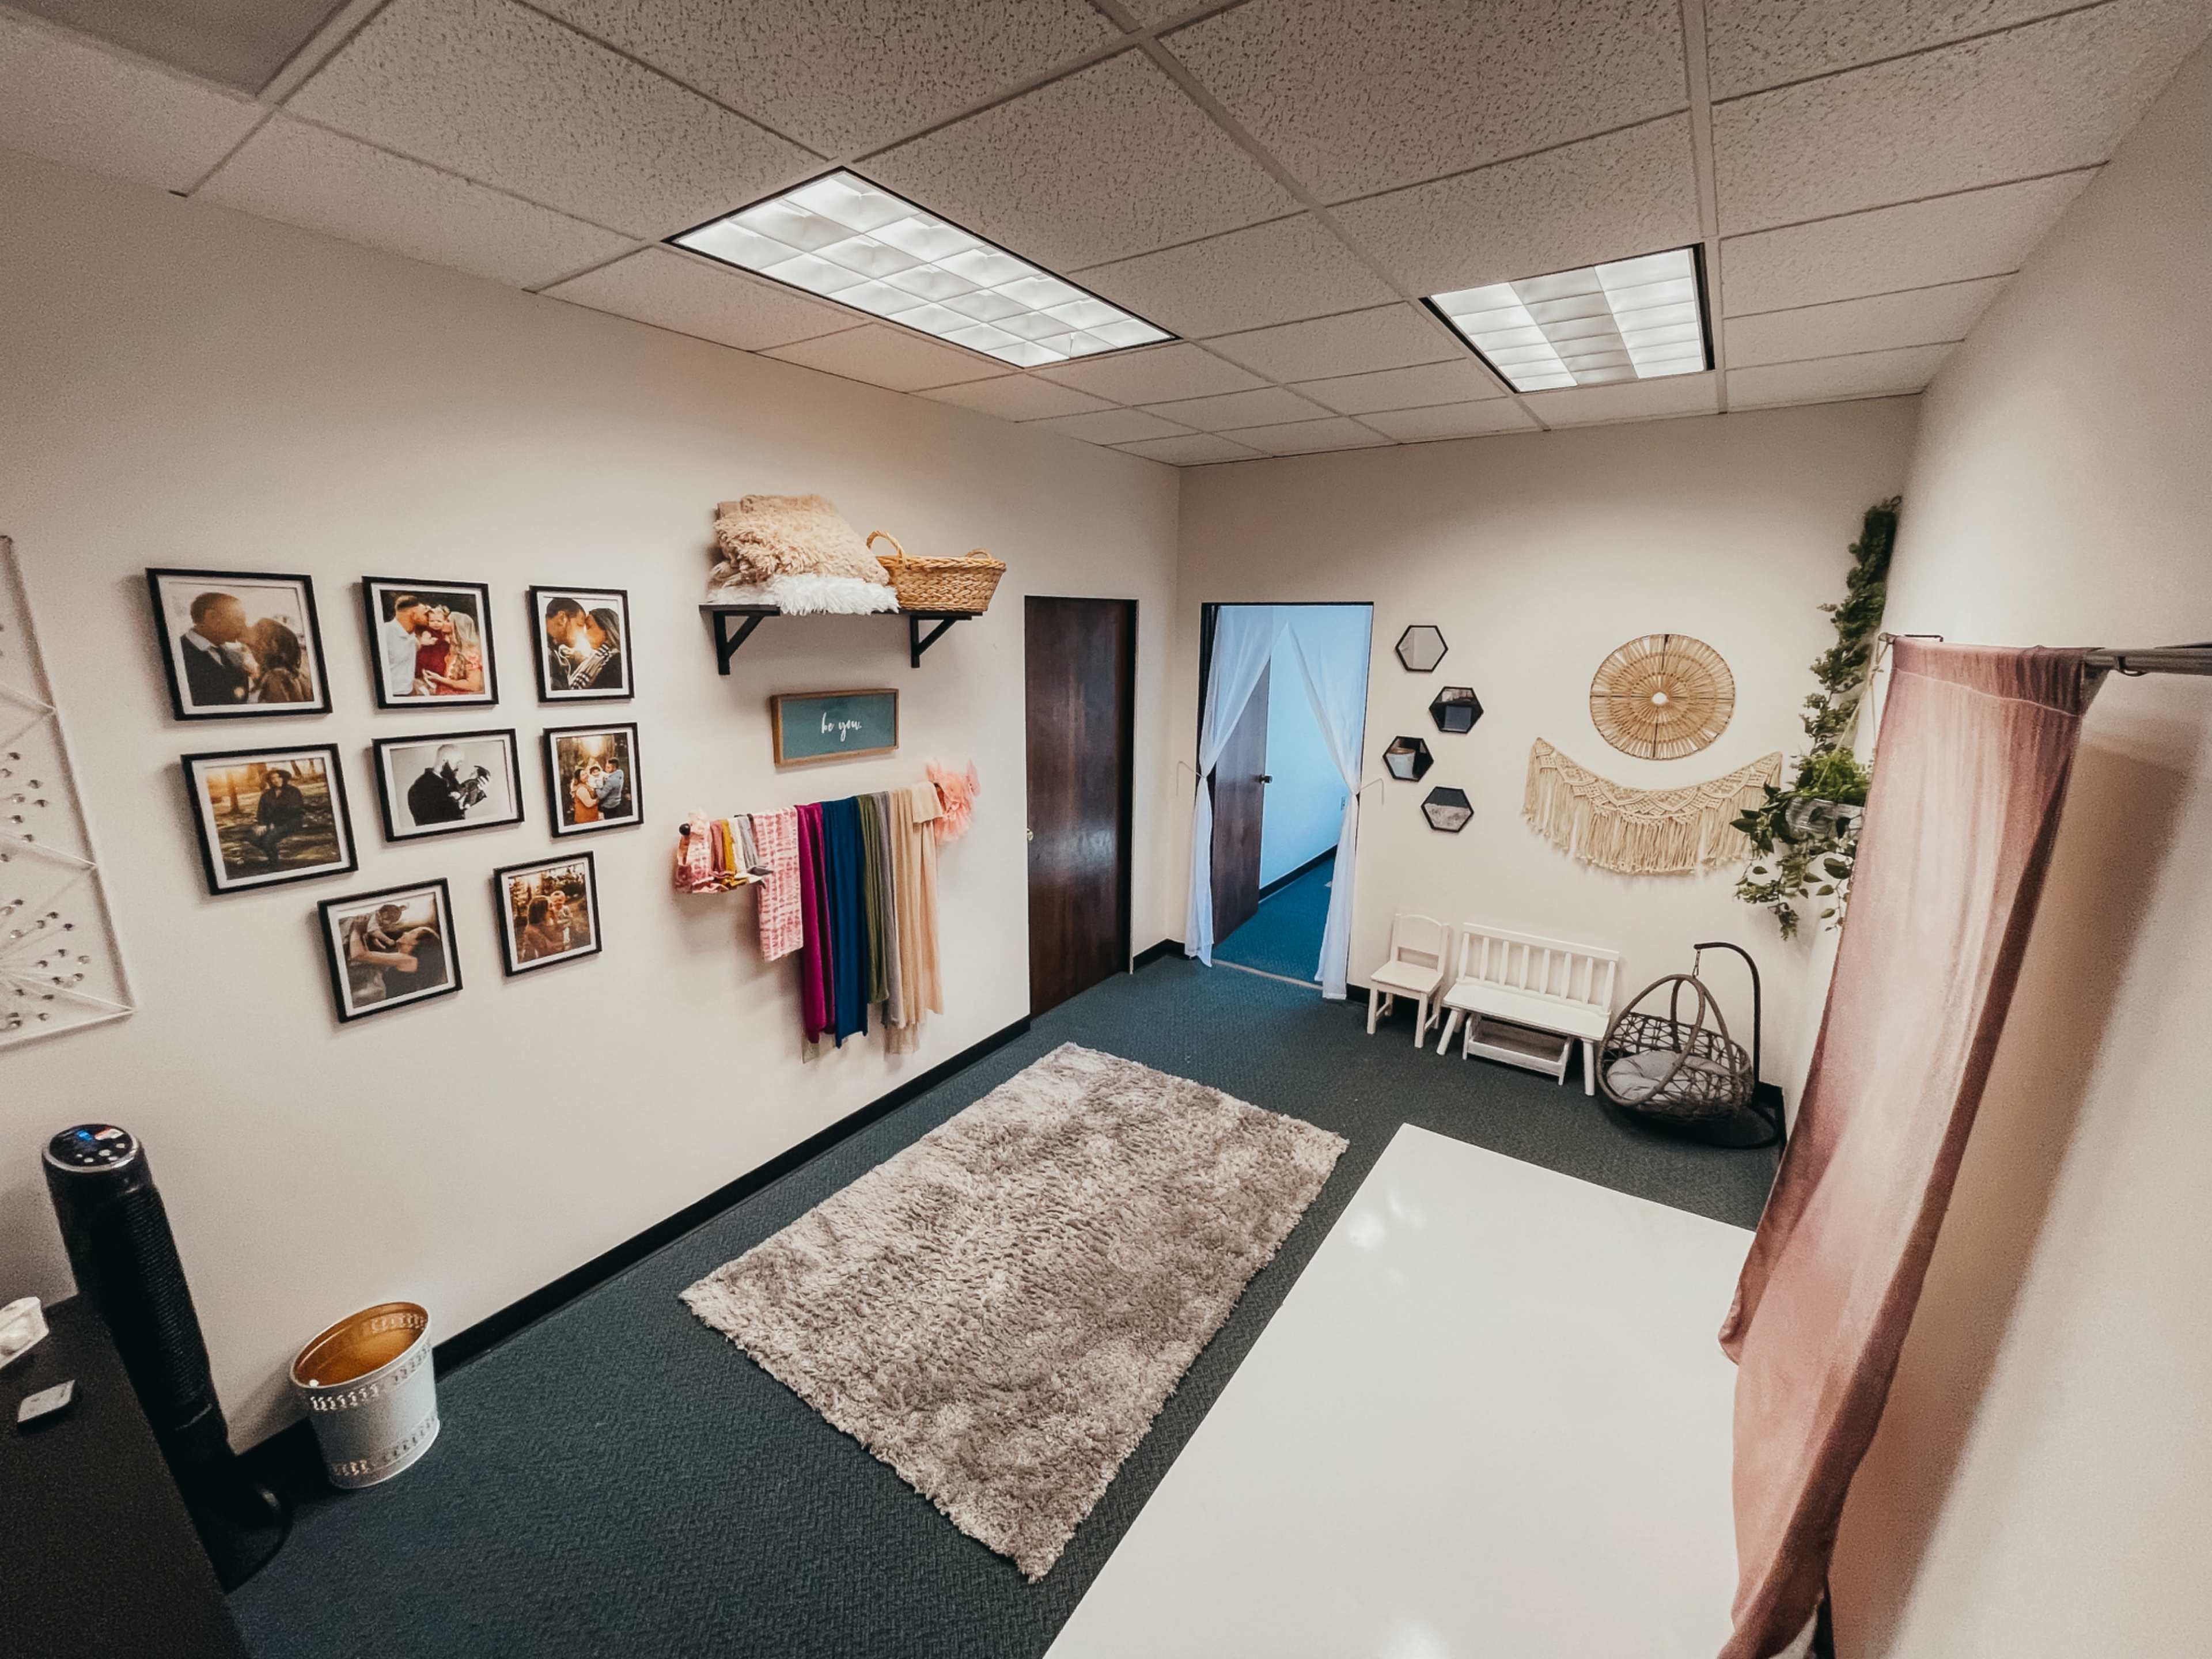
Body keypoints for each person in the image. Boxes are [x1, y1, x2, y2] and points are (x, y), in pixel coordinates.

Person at [178, 592, 251, 708]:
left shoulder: (236, 657)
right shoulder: (178, 654)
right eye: (238, 620)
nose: (244, 627)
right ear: (212, 617)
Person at [543, 598, 624, 694]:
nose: (584, 634)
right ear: (562, 618)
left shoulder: (614, 662)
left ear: (607, 630)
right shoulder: (548, 654)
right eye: (580, 625)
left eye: (588, 627)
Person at [343, 903, 415, 1005]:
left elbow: (360, 954)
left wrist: (357, 930)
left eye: (413, 933)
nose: (406, 933)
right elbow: (368, 950)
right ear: (384, 915)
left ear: (417, 944)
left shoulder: (405, 959)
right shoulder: (375, 918)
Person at [406, 744, 484, 828]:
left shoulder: (447, 780)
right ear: (444, 761)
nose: (459, 766)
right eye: (458, 762)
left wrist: (477, 789)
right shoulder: (420, 788)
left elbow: (459, 802)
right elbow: (448, 816)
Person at [244, 768, 306, 865]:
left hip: (291, 822)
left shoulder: (293, 791)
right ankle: (273, 853)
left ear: (284, 778)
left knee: (268, 840)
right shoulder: (266, 795)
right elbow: (261, 812)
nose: (276, 780)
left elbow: (293, 811)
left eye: (279, 777)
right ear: (270, 781)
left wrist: (273, 824)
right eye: (273, 778)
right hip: (271, 824)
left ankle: (274, 862)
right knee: (252, 837)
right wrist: (262, 824)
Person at [379, 593, 433, 702]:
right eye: (425, 613)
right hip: (391, 698)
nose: (429, 616)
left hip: (409, 695)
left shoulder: (413, 636)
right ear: (414, 614)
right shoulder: (383, 633)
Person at [247, 618, 313, 704]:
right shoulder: (291, 674)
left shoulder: (277, 677)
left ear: (273, 645)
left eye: (255, 644)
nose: (252, 650)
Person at [421, 608, 485, 696]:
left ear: (457, 626)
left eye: (448, 621)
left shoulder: (471, 654)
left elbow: (473, 686)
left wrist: (440, 679)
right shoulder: (446, 646)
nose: (443, 623)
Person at [516, 896, 565, 962]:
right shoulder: (533, 931)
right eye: (550, 906)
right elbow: (553, 951)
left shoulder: (550, 922)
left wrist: (555, 920)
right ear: (541, 912)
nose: (553, 909)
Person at [592, 751, 628, 818]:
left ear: (614, 768)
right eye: (606, 767)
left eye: (608, 767)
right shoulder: (621, 772)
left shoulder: (611, 781)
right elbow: (613, 781)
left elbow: (601, 796)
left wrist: (596, 785)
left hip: (609, 807)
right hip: (617, 802)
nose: (605, 769)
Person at [568, 760, 603, 826]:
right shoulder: (581, 789)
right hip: (585, 820)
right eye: (583, 775)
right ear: (579, 778)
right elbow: (589, 804)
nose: (586, 775)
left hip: (590, 818)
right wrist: (600, 798)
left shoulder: (586, 784)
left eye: (586, 773)